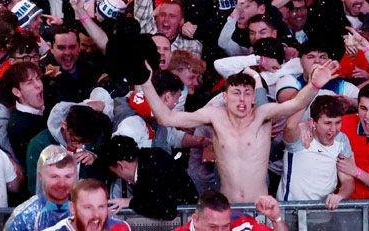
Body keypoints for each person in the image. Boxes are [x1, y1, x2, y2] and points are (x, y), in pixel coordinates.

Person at [139, 61, 339, 203]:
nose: (242, 100)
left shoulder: (263, 115)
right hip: (228, 208)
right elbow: (167, 119)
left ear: (254, 97)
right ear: (225, 97)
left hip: (260, 207)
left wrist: (314, 85)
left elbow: (296, 103)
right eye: (236, 93)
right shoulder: (214, 116)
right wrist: (146, 82)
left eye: (247, 94)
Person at [277, 95, 354, 209]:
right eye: (328, 123)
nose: (333, 129)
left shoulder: (342, 139)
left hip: (323, 214)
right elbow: (290, 126)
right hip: (291, 211)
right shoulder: (300, 138)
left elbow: (348, 181)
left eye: (338, 122)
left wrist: (340, 196)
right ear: (313, 122)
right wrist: (313, 87)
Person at [99, 135, 198, 220]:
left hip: (186, 217)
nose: (119, 177)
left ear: (121, 165)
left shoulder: (154, 165)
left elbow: (167, 210)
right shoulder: (148, 158)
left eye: (116, 173)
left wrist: (131, 202)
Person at [5, 145, 77, 230]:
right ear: (40, 176)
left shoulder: (85, 211)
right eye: (54, 176)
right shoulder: (25, 217)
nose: (61, 184)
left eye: (68, 176)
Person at [174, 191, 289, 231]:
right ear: (195, 220)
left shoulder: (242, 226)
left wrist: (276, 219)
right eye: (212, 227)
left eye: (225, 227)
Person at [44, 179, 131, 231]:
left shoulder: (120, 227)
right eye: (88, 207)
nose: (96, 215)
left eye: (101, 207)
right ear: (72, 208)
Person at [4, 61, 47, 167]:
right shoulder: (20, 126)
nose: (38, 85)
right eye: (29, 83)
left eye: (37, 78)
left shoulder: (47, 106)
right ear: (17, 92)